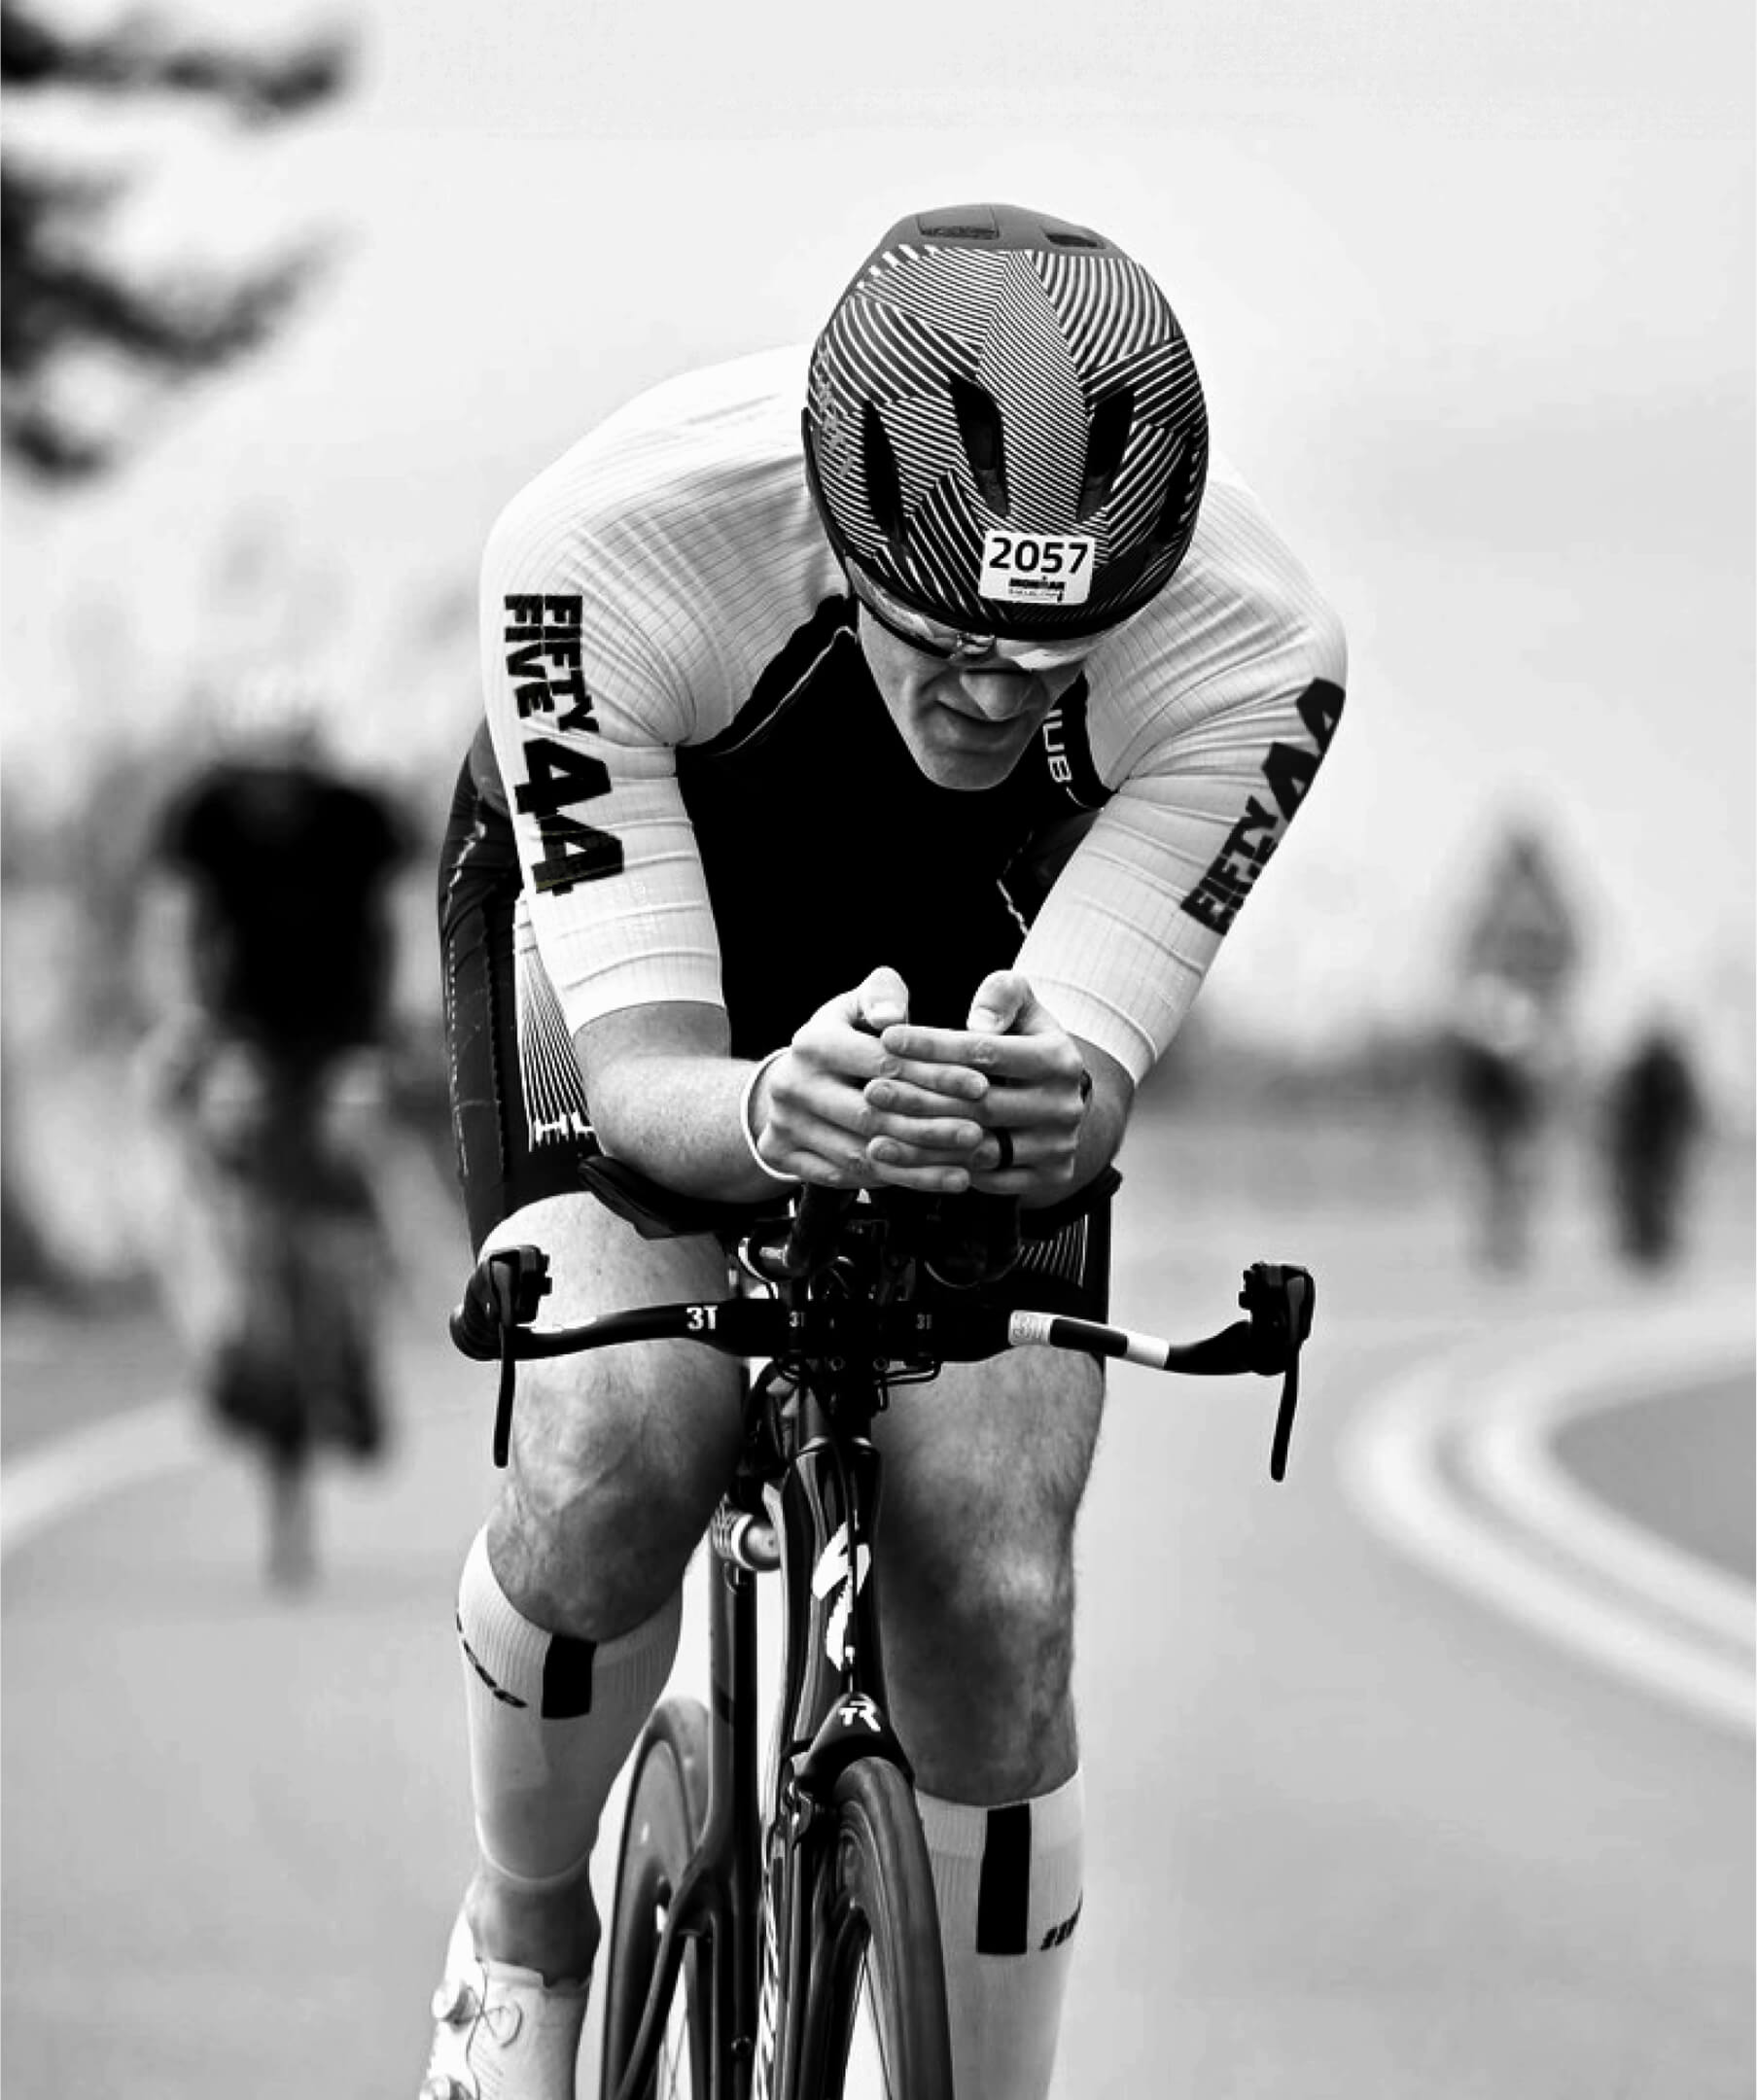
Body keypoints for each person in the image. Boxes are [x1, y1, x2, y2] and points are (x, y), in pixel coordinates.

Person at [423, 202, 1346, 2099]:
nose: (997, 697)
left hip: (959, 972)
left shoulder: (1257, 652)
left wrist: (1039, 1103)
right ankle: (525, 1932)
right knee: (621, 1450)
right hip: (650, 956)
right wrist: (768, 1108)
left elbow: (1085, 1076)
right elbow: (662, 1066)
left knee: (995, 1594)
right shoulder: (601, 551)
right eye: (942, 641)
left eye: (1054, 655)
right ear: (840, 541)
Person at [141, 671, 409, 1585]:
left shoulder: (359, 819)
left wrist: (379, 1054)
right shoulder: (204, 818)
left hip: (342, 1038)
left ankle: (355, 1344)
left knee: (351, 1181)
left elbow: (397, 929)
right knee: (202, 1191)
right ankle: (228, 1346)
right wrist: (188, 1035)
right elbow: (172, 928)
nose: (273, 797)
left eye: (288, 777)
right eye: (258, 778)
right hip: (241, 1036)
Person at [1602, 1016, 1704, 1269]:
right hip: (1649, 1144)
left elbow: (1687, 1109)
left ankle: (1653, 1243)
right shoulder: (1651, 1071)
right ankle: (1649, 1243)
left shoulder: (1652, 1070)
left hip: (1656, 1144)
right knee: (1650, 1193)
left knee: (1655, 1193)